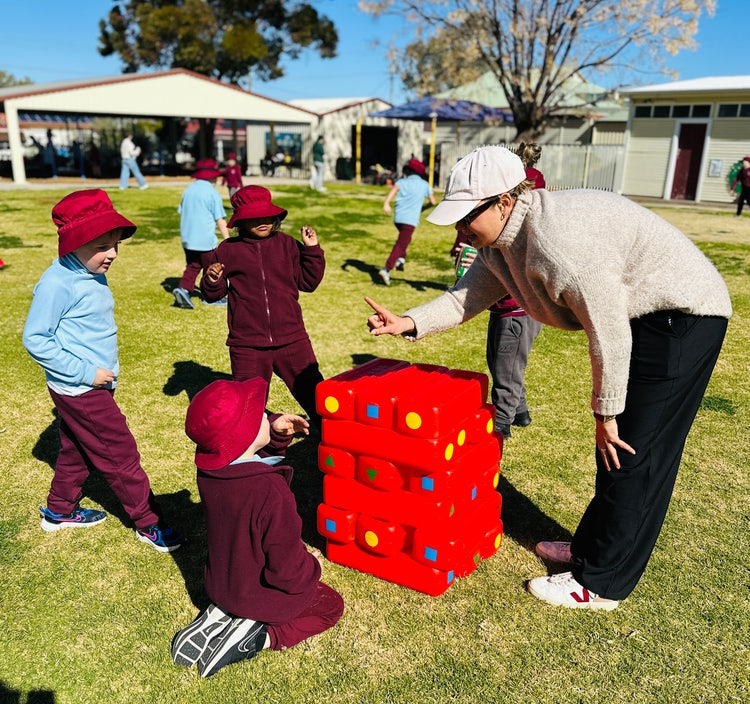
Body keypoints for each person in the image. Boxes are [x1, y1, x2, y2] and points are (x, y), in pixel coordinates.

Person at [365, 145, 731, 611]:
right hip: (645, 315)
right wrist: (409, 321)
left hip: (682, 315)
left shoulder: (559, 243)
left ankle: (600, 583)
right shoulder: (500, 243)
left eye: (466, 216)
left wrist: (607, 413)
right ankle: (589, 549)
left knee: (634, 451)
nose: (459, 229)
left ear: (503, 201)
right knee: (618, 455)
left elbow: (610, 332)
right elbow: (465, 298)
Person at [22, 189, 183, 552]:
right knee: (120, 455)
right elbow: (36, 338)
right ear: (74, 243)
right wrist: (86, 373)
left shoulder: (88, 271)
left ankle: (59, 511)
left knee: (77, 449)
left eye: (115, 245)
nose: (111, 254)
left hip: (89, 385)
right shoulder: (57, 283)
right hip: (82, 389)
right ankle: (148, 521)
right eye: (101, 245)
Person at [172, 377, 344, 678]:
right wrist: (311, 566)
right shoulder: (271, 492)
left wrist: (275, 436)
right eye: (262, 414)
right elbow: (287, 572)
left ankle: (224, 612)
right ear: (247, 433)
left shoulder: (212, 472)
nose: (269, 415)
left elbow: (245, 460)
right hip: (259, 594)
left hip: (221, 584)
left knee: (245, 591)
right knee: (331, 606)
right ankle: (258, 638)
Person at [201, 186, 325, 427]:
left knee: (313, 391)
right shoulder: (227, 250)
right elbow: (212, 294)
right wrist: (212, 280)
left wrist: (312, 250)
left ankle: (331, 433)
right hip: (247, 344)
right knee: (248, 403)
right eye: (253, 217)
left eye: (267, 215)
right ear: (240, 221)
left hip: (292, 338)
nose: (262, 221)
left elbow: (308, 282)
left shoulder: (288, 244)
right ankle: (250, 445)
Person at [451, 142, 544, 439]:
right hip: (504, 308)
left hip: (517, 310)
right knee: (504, 362)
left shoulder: (520, 232)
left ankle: (501, 424)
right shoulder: (495, 237)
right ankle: (520, 411)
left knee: (506, 368)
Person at [173, 159, 229, 309]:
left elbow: (181, 211)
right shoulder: (212, 193)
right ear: (212, 176)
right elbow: (220, 219)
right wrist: (227, 239)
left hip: (188, 238)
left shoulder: (188, 190)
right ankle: (211, 296)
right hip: (205, 241)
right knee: (211, 268)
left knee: (193, 265)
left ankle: (183, 289)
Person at [378, 158, 436, 286]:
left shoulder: (401, 181)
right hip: (410, 220)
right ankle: (386, 269)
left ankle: (401, 260)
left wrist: (386, 204)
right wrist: (423, 208)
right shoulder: (424, 184)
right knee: (401, 244)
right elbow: (433, 201)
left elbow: (391, 193)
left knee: (404, 240)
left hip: (398, 218)